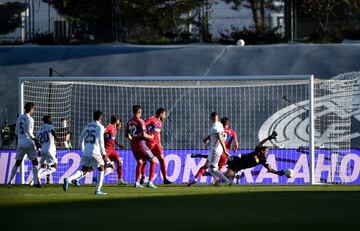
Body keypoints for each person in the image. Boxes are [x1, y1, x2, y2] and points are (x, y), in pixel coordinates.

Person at [63, 111, 108, 195]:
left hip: (87, 151)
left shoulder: (88, 126)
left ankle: (68, 179)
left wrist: (83, 149)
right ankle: (98, 190)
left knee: (84, 170)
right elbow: (101, 141)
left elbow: (81, 138)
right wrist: (103, 153)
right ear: (101, 118)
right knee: (102, 168)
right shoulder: (100, 127)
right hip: (95, 151)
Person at [188, 117, 238, 186]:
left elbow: (207, 138)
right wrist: (235, 148)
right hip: (224, 154)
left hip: (216, 151)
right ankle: (219, 182)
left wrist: (207, 143)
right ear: (228, 124)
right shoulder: (232, 132)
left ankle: (197, 179)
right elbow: (236, 143)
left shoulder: (218, 130)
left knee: (207, 167)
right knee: (218, 169)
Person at [7, 102, 41, 188]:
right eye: (33, 109)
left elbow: (16, 131)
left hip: (20, 142)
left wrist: (21, 139)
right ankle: (36, 182)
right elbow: (30, 132)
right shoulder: (30, 119)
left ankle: (9, 182)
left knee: (17, 163)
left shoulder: (19, 118)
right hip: (28, 142)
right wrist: (35, 140)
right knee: (35, 162)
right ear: (31, 109)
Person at [125, 105, 157, 188]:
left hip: (133, 146)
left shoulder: (130, 122)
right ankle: (150, 182)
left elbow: (126, 134)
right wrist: (151, 137)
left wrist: (131, 137)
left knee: (140, 162)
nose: (141, 113)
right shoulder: (141, 121)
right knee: (153, 160)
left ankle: (136, 182)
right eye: (141, 112)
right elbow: (143, 134)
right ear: (139, 111)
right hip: (141, 145)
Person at [140, 108, 172, 185]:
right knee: (144, 161)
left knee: (162, 159)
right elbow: (143, 124)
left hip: (156, 144)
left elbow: (158, 134)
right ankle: (143, 177)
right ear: (160, 114)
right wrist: (146, 132)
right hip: (149, 143)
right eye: (164, 114)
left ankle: (164, 179)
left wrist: (160, 144)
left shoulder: (160, 122)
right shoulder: (152, 119)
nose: (164, 116)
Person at [92, 115, 127, 185]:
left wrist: (118, 145)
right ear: (117, 121)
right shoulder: (109, 127)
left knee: (119, 163)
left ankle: (120, 180)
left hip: (112, 150)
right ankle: (79, 177)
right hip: (106, 150)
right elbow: (102, 132)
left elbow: (112, 139)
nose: (120, 124)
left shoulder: (115, 129)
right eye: (119, 122)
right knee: (96, 166)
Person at [203, 112, 232, 186]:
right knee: (209, 167)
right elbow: (217, 135)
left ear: (212, 117)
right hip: (214, 149)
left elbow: (220, 137)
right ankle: (216, 181)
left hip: (215, 150)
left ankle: (227, 181)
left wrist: (225, 150)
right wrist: (207, 139)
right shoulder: (219, 124)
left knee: (213, 169)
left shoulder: (215, 127)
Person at [36, 115, 62, 182]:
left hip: (42, 149)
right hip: (50, 149)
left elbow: (36, 140)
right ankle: (39, 176)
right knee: (55, 167)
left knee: (43, 166)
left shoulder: (40, 129)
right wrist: (58, 141)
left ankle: (35, 179)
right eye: (50, 119)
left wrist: (38, 149)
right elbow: (53, 133)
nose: (51, 121)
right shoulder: (50, 126)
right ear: (47, 120)